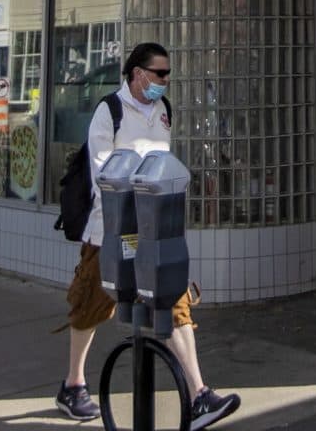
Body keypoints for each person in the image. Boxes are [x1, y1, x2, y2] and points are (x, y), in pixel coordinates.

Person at [57, 43, 240, 428]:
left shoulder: (162, 110)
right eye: (159, 74)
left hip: (155, 229)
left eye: (167, 74)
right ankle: (73, 384)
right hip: (108, 229)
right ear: (138, 73)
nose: (165, 81)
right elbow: (103, 174)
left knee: (173, 300)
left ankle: (199, 395)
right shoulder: (110, 111)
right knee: (92, 303)